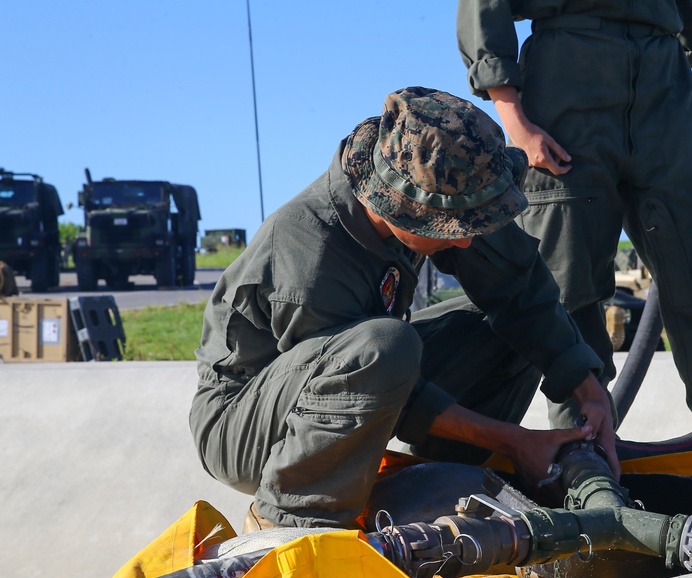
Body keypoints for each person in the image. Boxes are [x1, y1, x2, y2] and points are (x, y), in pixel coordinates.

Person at [189, 87, 618, 531]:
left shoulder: (442, 181)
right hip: (245, 425)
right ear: (396, 208)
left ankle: (440, 484)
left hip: (358, 372)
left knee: (500, 332)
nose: (465, 241)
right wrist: (516, 442)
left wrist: (587, 389)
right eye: (449, 228)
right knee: (385, 346)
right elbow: (380, 383)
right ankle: (291, 519)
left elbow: (519, 292)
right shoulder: (310, 253)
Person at [457, 2, 692, 436]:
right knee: (571, 295)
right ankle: (586, 463)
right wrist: (514, 118)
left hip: (665, 81)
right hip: (566, 76)